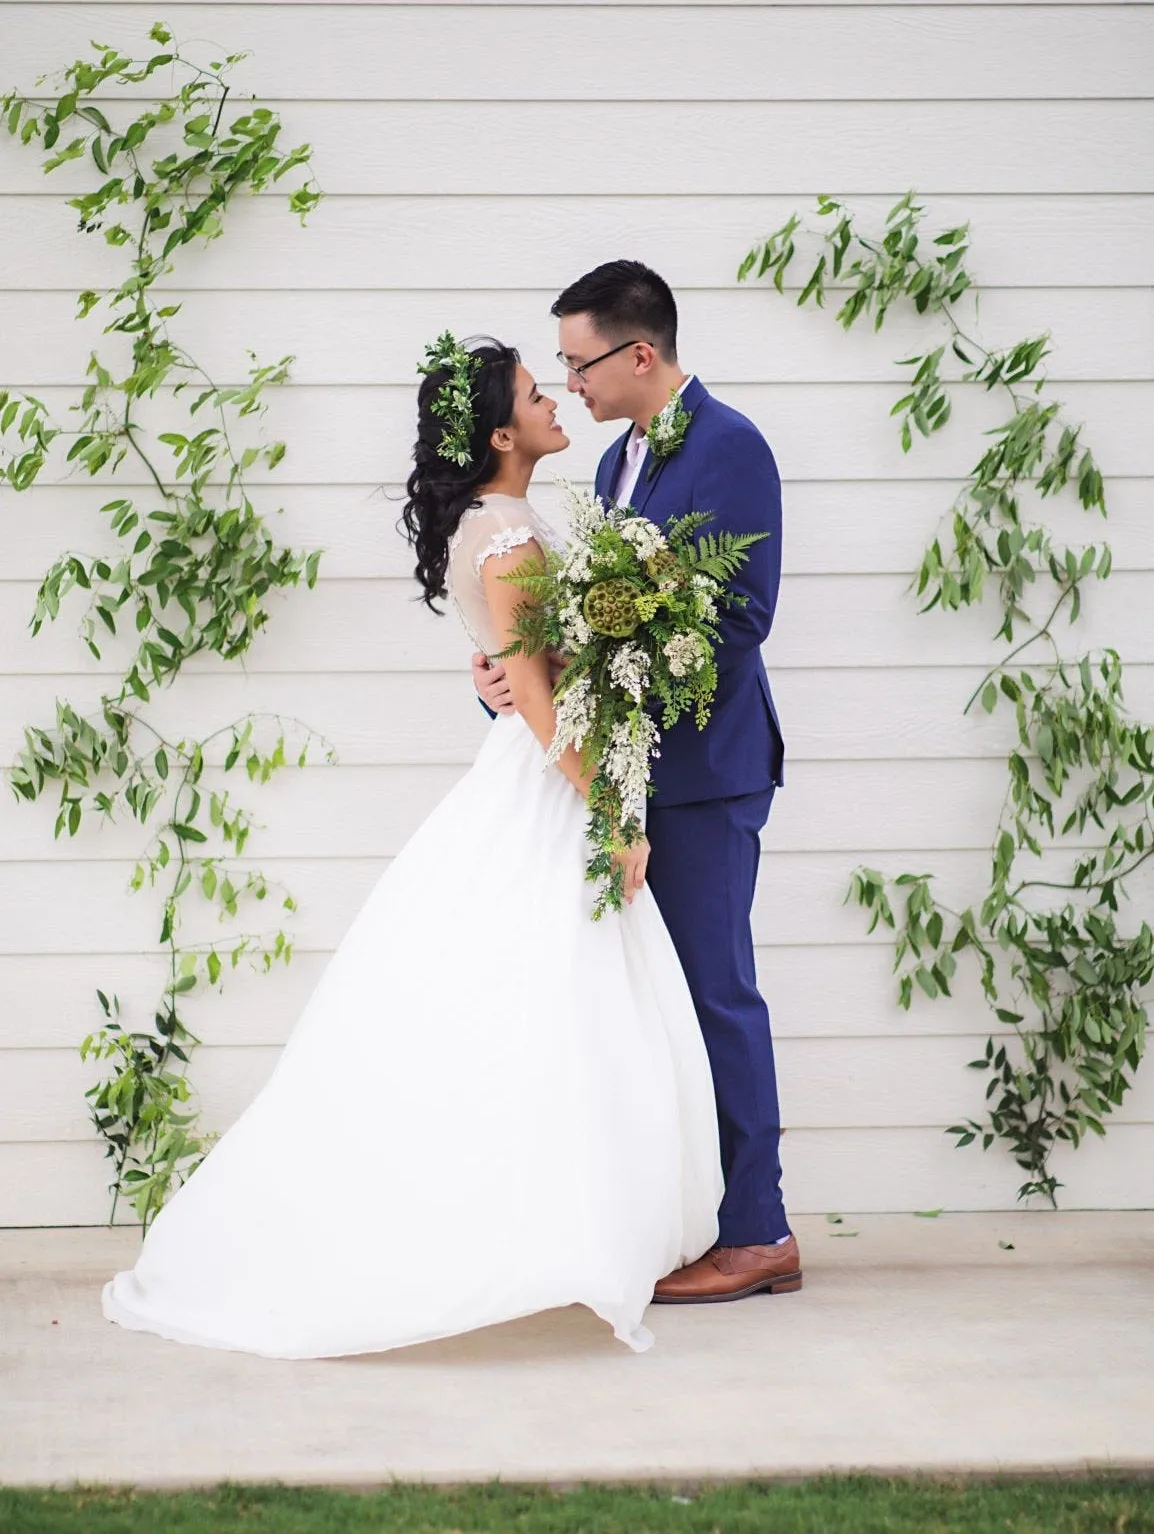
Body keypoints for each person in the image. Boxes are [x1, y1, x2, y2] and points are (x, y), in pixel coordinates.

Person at [99, 336, 725, 1359]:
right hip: (547, 791)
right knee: (530, 1008)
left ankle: (562, 1228)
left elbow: (530, 668)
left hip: (534, 780)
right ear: (497, 433)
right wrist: (614, 812)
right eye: (534, 394)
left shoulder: (497, 521)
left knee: (554, 1009)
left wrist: (613, 639)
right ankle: (502, 1235)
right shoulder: (508, 536)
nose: (553, 399)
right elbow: (531, 698)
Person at [474, 264, 801, 1303]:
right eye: (559, 368)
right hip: (618, 776)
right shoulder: (617, 459)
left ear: (639, 354)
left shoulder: (729, 445)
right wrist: (525, 679)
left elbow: (739, 618)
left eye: (577, 362)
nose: (568, 381)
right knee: (642, 1012)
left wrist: (621, 642)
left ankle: (759, 1234)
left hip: (701, 777)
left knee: (713, 997)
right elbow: (589, 613)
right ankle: (681, 1217)